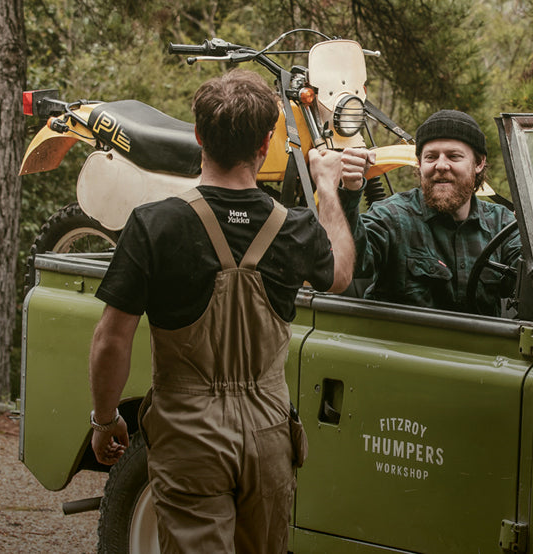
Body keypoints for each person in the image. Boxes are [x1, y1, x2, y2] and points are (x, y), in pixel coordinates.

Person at [86, 68, 358, 552]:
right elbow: (339, 275)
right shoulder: (295, 228)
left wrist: (106, 419)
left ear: (197, 136)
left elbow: (111, 338)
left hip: (189, 433)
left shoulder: (155, 225)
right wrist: (329, 189)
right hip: (270, 433)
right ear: (266, 142)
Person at [336, 109, 533, 316]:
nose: (441, 165)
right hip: (403, 349)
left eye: (453, 156)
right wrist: (350, 191)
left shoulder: (501, 223)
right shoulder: (393, 216)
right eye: (431, 157)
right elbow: (351, 265)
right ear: (419, 164)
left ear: (478, 163)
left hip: (481, 349)